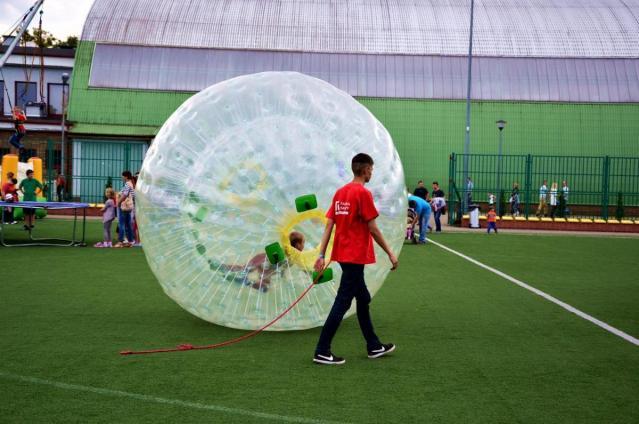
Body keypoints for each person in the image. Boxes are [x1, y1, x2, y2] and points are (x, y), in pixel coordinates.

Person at [313, 153, 398, 365]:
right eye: (371, 169)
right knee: (343, 302)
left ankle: (373, 345)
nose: (372, 172)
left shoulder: (340, 192)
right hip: (354, 256)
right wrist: (390, 252)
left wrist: (321, 255)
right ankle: (322, 350)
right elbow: (373, 229)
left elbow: (329, 225)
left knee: (363, 298)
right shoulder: (362, 194)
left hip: (343, 255)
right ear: (365, 169)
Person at [114, 171, 135, 248]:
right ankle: (130, 241)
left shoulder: (127, 184)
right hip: (129, 207)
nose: (121, 177)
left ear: (126, 177)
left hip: (123, 207)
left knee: (121, 224)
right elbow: (132, 195)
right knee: (128, 225)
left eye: (122, 176)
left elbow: (125, 195)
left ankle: (120, 242)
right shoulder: (131, 184)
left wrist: (118, 203)